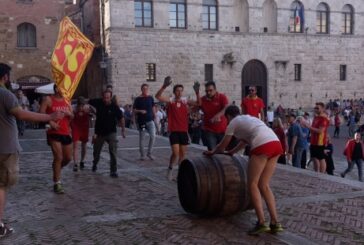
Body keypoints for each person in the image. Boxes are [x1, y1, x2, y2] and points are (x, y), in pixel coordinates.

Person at [0, 63, 64, 237]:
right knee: (2, 186)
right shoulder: (6, 95)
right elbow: (22, 115)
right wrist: (49, 117)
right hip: (5, 148)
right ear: (5, 77)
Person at [204, 105, 283, 235]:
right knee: (264, 185)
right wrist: (232, 152)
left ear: (228, 116)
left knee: (252, 184)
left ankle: (261, 222)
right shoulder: (249, 119)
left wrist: (213, 152)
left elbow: (222, 144)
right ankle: (275, 222)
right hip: (275, 143)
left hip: (262, 145)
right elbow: (244, 142)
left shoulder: (233, 123)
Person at [155, 77, 199, 180]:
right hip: (173, 131)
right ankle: (170, 170)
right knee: (175, 153)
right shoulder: (171, 101)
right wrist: (164, 86)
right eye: (177, 91)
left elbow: (198, 104)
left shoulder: (185, 102)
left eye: (181, 90)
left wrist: (197, 92)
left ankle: (180, 175)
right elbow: (158, 96)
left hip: (183, 131)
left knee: (182, 155)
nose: (179, 92)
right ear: (174, 92)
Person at [40, 84, 74, 194]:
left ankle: (56, 168)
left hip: (65, 132)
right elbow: (40, 114)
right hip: (53, 132)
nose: (64, 89)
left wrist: (69, 113)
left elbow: (72, 116)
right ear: (56, 88)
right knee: (58, 157)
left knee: (68, 158)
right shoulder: (48, 99)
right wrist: (50, 122)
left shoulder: (67, 100)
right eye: (62, 87)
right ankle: (57, 183)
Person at [89, 90, 126, 178]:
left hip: (111, 132)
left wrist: (123, 130)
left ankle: (113, 171)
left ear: (110, 97)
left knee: (113, 151)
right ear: (102, 97)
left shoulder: (114, 107)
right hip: (99, 133)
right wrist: (91, 110)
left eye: (108, 98)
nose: (106, 99)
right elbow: (88, 102)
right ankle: (95, 163)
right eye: (104, 97)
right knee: (96, 152)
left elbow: (121, 118)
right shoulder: (98, 102)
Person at [198, 81, 229, 150]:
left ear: (215, 89)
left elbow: (226, 108)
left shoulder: (222, 97)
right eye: (206, 91)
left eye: (210, 90)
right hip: (209, 130)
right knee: (212, 150)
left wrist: (218, 115)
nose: (208, 92)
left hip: (222, 130)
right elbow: (196, 105)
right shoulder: (203, 99)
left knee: (222, 150)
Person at [303, 102, 329, 173]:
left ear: (322, 109)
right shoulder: (316, 117)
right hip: (313, 140)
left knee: (321, 158)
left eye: (317, 108)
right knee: (314, 157)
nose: (316, 109)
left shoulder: (323, 119)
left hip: (319, 141)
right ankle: (316, 172)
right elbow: (313, 128)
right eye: (315, 108)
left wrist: (309, 127)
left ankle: (322, 173)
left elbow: (320, 131)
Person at [133, 84, 156, 160]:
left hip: (150, 121)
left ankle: (149, 153)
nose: (145, 90)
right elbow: (134, 110)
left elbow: (153, 107)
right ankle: (142, 155)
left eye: (146, 89)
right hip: (142, 122)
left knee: (153, 136)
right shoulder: (138, 99)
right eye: (144, 89)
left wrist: (154, 115)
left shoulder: (150, 98)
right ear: (141, 89)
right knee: (142, 138)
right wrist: (140, 111)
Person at [71, 96, 94, 171]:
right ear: (77, 104)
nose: (81, 107)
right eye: (79, 105)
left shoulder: (87, 107)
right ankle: (75, 164)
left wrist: (90, 107)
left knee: (84, 145)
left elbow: (95, 112)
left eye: (82, 105)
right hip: (76, 128)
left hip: (84, 128)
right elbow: (70, 116)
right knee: (75, 145)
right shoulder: (73, 108)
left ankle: (82, 161)